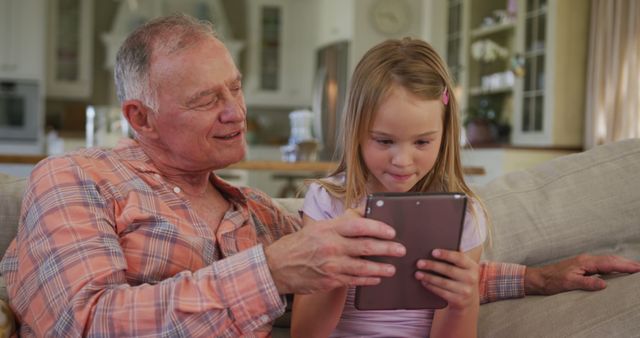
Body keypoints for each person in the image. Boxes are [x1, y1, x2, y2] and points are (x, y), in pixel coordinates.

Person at [0, 14, 639, 337]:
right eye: (206, 101)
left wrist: (532, 276)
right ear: (139, 116)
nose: (237, 114)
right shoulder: (73, 179)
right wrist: (271, 272)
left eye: (237, 88)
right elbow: (81, 323)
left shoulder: (254, 212)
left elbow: (395, 261)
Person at [292, 37, 487, 337]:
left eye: (422, 142)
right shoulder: (327, 202)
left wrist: (464, 301)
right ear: (356, 132)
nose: (402, 161)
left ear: (445, 135)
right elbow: (305, 333)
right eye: (384, 141)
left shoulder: (464, 217)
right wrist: (340, 262)